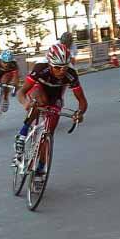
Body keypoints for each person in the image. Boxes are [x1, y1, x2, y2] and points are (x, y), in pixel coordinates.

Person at [14, 44, 87, 180]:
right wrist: (25, 103)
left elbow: (82, 101)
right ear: (50, 63)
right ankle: (23, 133)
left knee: (49, 131)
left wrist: (79, 113)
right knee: (39, 101)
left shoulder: (71, 74)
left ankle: (41, 166)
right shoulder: (41, 68)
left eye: (64, 67)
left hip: (55, 96)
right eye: (57, 67)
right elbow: (21, 92)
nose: (61, 71)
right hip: (38, 89)